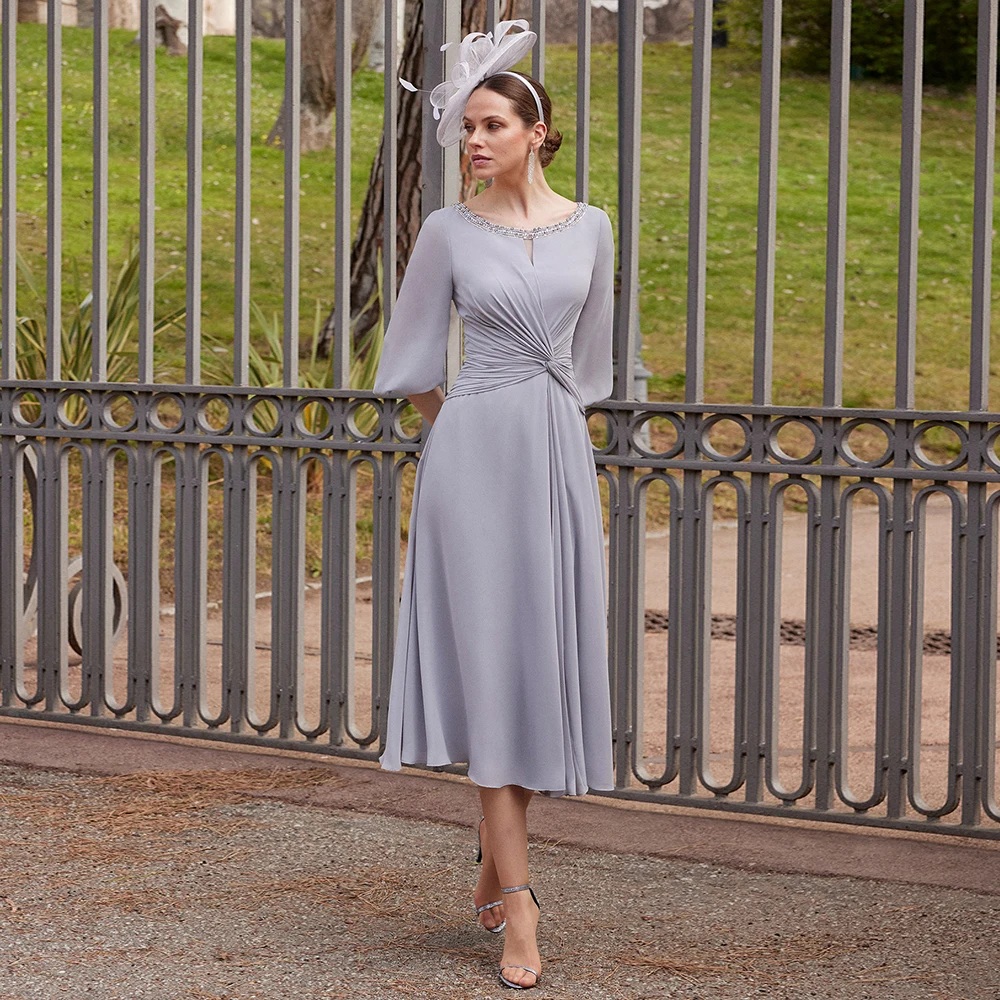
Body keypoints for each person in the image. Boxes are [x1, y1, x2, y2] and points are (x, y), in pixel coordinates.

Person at [372, 18, 616, 991]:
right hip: (470, 461)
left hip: (555, 452)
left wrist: (539, 422)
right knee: (488, 665)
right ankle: (519, 911)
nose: (472, 140)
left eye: (490, 124)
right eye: (465, 125)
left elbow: (592, 363)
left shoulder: (591, 226)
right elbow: (412, 364)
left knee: (539, 666)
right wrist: (463, 423)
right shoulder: (445, 231)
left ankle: (490, 862)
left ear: (536, 132)